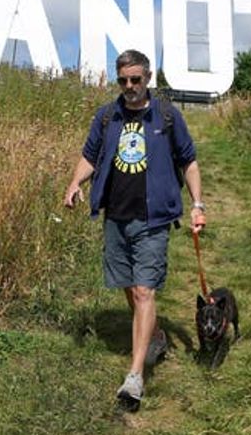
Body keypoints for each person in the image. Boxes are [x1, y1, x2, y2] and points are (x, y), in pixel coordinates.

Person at [63, 49, 206, 409]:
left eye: (136, 80)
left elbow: (188, 161)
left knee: (144, 290)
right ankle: (155, 336)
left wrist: (198, 205)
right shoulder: (107, 116)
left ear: (148, 78)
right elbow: (91, 155)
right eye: (123, 80)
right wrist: (75, 183)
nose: (129, 86)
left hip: (153, 218)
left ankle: (135, 376)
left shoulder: (168, 116)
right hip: (115, 216)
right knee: (128, 285)